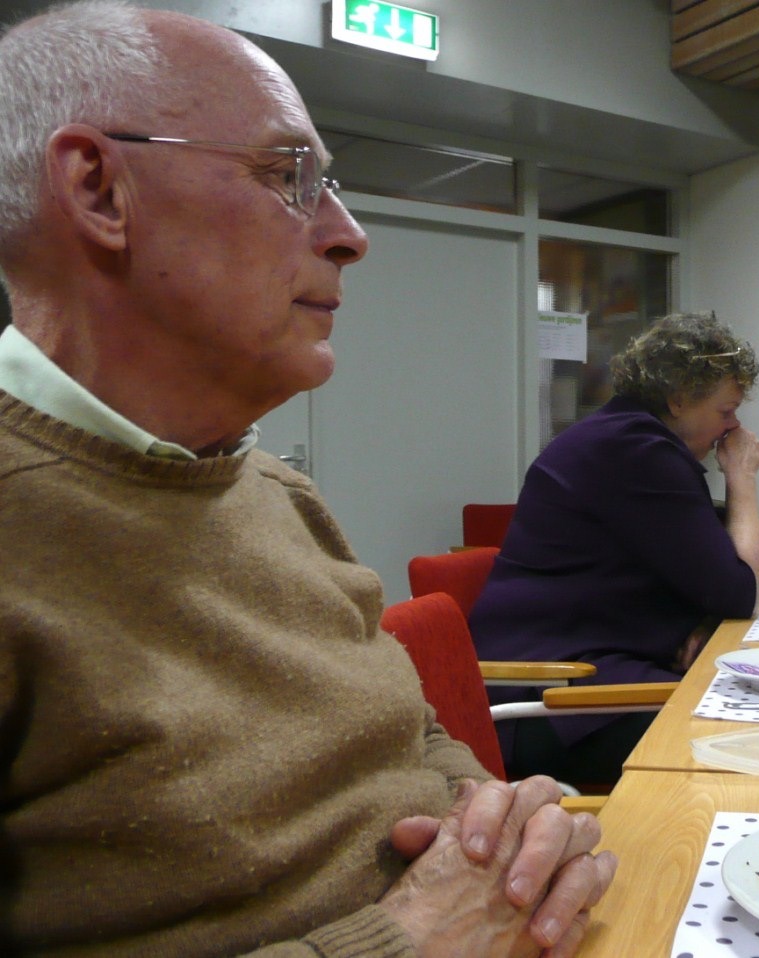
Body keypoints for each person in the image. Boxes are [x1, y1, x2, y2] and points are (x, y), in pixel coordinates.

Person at [0, 3, 613, 955]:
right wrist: (406, 940)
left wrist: (500, 825)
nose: (349, 235)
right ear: (98, 188)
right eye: (289, 176)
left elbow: (408, 730)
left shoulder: (276, 494)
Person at [470, 313, 759, 787]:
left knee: (751, 715)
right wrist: (742, 476)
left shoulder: (622, 436)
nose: (733, 428)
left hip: (577, 671)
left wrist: (699, 622)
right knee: (747, 733)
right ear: (678, 399)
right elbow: (740, 592)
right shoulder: (638, 451)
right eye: (725, 411)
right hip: (547, 696)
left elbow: (706, 578)